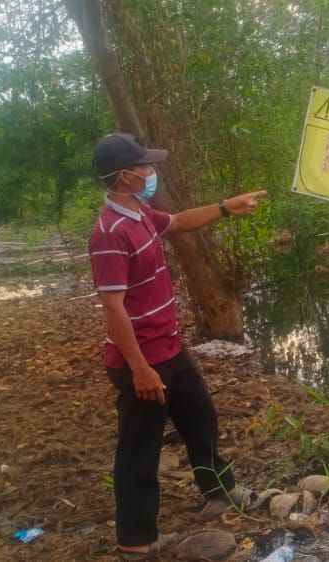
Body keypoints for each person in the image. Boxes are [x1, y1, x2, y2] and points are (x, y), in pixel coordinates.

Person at [88, 132, 267, 558]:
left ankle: (220, 489)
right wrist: (139, 369)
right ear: (125, 176)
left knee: (200, 416)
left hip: (168, 349)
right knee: (139, 452)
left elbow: (180, 221)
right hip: (143, 362)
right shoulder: (110, 233)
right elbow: (113, 309)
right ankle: (136, 543)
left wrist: (226, 206)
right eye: (145, 167)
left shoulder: (140, 214)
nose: (151, 172)